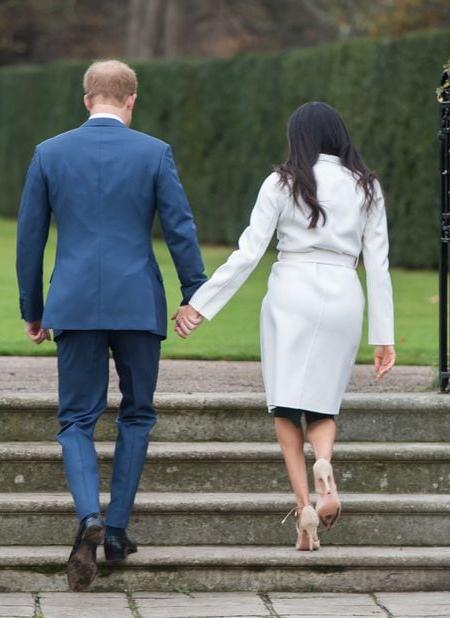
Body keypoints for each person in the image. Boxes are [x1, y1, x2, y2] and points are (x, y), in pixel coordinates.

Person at [16, 59, 207, 591]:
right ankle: (117, 528)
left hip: (73, 304)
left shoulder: (49, 153)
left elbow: (30, 239)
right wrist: (194, 293)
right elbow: (180, 228)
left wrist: (33, 308)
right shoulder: (154, 152)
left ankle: (88, 518)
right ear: (131, 100)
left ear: (86, 100)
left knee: (77, 419)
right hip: (138, 304)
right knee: (137, 414)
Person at [174, 101, 396, 551]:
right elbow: (379, 265)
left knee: (285, 405)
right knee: (323, 404)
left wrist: (199, 305)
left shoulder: (282, 181)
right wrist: (384, 336)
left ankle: (303, 507)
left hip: (291, 292)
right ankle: (325, 467)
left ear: (299, 137)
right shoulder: (367, 186)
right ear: (339, 135)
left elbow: (248, 252)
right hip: (342, 292)